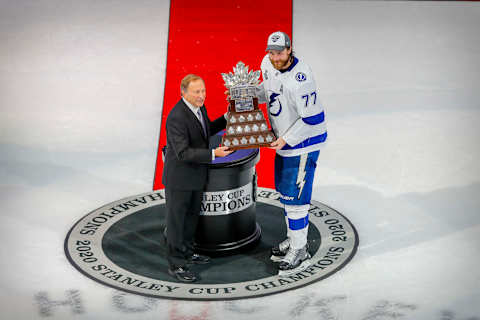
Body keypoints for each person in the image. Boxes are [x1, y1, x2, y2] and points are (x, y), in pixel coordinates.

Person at [257, 31, 328, 275]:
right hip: (284, 142)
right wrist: (245, 96)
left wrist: (286, 139)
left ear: (289, 50)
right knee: (286, 195)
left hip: (303, 143)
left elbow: (314, 118)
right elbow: (267, 89)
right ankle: (293, 238)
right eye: (271, 52)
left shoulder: (301, 79)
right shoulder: (267, 63)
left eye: (279, 52)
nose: (274, 57)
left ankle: (300, 248)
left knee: (296, 198)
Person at [162, 74, 232, 282]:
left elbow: (206, 130)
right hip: (179, 180)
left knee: (191, 219)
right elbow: (183, 153)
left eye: (203, 91)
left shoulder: (199, 108)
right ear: (183, 93)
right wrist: (213, 154)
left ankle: (188, 252)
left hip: (195, 177)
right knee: (176, 223)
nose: (202, 96)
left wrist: (227, 118)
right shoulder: (176, 117)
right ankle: (176, 265)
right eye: (196, 92)